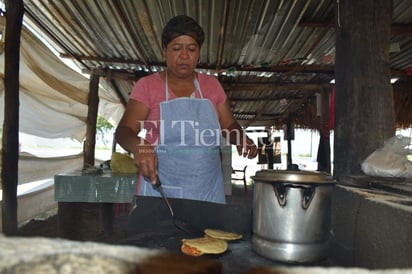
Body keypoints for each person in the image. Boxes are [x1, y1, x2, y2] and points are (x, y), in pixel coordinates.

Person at [115, 15, 257, 204]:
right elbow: (124, 131)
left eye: (191, 49)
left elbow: (228, 124)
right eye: (176, 48)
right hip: (162, 191)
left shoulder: (211, 85)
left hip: (206, 190)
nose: (184, 56)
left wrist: (240, 137)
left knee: (209, 234)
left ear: (198, 53)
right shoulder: (148, 86)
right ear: (164, 50)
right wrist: (139, 146)